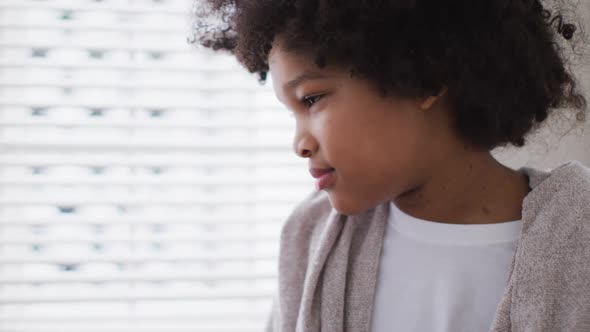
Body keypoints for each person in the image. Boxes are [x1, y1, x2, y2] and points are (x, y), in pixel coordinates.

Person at [192, 0, 590, 331]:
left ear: (422, 79)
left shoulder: (577, 238)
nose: (300, 143)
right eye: (291, 112)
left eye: (312, 99)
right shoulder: (307, 237)